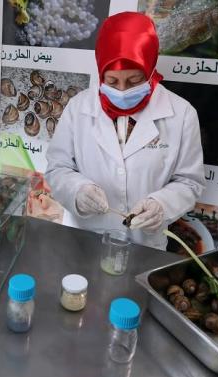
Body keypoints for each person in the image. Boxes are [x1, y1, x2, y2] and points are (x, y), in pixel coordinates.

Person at [45, 12, 205, 251]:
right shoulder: (79, 107)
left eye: (134, 81)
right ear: (101, 73)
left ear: (150, 70)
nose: (121, 91)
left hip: (144, 245)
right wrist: (77, 191)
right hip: (84, 239)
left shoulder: (182, 115)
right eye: (111, 81)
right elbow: (57, 168)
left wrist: (161, 205)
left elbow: (189, 183)